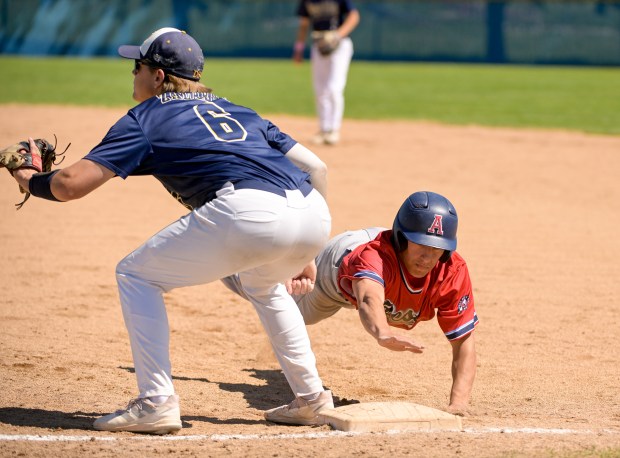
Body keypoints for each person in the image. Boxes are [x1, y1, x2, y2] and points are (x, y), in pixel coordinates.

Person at [8, 27, 335, 434]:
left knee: (136, 274)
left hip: (250, 212)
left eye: (137, 66)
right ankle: (312, 398)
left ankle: (156, 403)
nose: (133, 75)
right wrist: (305, 254)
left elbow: (70, 185)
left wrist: (27, 178)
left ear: (158, 76)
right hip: (313, 211)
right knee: (264, 285)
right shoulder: (239, 110)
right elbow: (317, 168)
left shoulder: (147, 117)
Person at [223, 191, 478, 416]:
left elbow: (464, 341)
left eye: (437, 248)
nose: (428, 256)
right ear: (402, 238)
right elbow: (369, 297)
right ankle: (224, 256)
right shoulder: (373, 257)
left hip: (378, 253)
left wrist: (458, 403)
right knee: (279, 302)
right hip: (334, 274)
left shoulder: (452, 271)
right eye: (420, 245)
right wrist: (382, 332)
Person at [293, 0, 360, 146]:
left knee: (334, 89)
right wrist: (299, 47)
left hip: (340, 45)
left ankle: (333, 130)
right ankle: (324, 129)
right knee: (320, 90)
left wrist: (338, 35)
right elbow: (304, 23)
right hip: (318, 45)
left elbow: (354, 16)